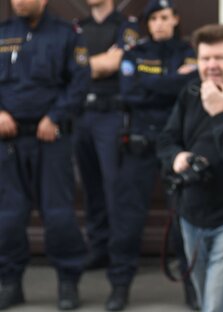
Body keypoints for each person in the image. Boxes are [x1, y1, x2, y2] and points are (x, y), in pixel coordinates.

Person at [157, 24, 223, 312]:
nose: (211, 66)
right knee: (206, 302)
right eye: (205, 59)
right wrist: (176, 157)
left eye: (219, 58)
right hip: (190, 215)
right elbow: (165, 140)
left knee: (218, 307)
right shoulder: (190, 93)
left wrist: (218, 113)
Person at [107, 0, 197, 310]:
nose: (159, 23)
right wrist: (173, 82)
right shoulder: (135, 54)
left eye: (164, 17)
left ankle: (192, 289)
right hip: (140, 147)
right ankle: (119, 286)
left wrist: (150, 84)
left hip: (175, 149)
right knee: (126, 223)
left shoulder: (189, 52)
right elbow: (129, 93)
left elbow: (191, 88)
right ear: (147, 23)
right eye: (153, 19)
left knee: (185, 222)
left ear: (175, 19)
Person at [0, 0, 89, 309]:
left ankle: (68, 281)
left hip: (51, 137)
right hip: (8, 140)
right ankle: (10, 282)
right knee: (8, 218)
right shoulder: (2, 32)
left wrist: (55, 117)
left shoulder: (67, 34)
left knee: (59, 215)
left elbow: (79, 81)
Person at [74, 0, 139, 271]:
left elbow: (115, 63)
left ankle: (120, 256)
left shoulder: (126, 26)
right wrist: (96, 64)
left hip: (111, 114)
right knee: (90, 187)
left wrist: (83, 66)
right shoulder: (78, 28)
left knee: (114, 187)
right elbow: (70, 69)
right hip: (80, 113)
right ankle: (98, 248)